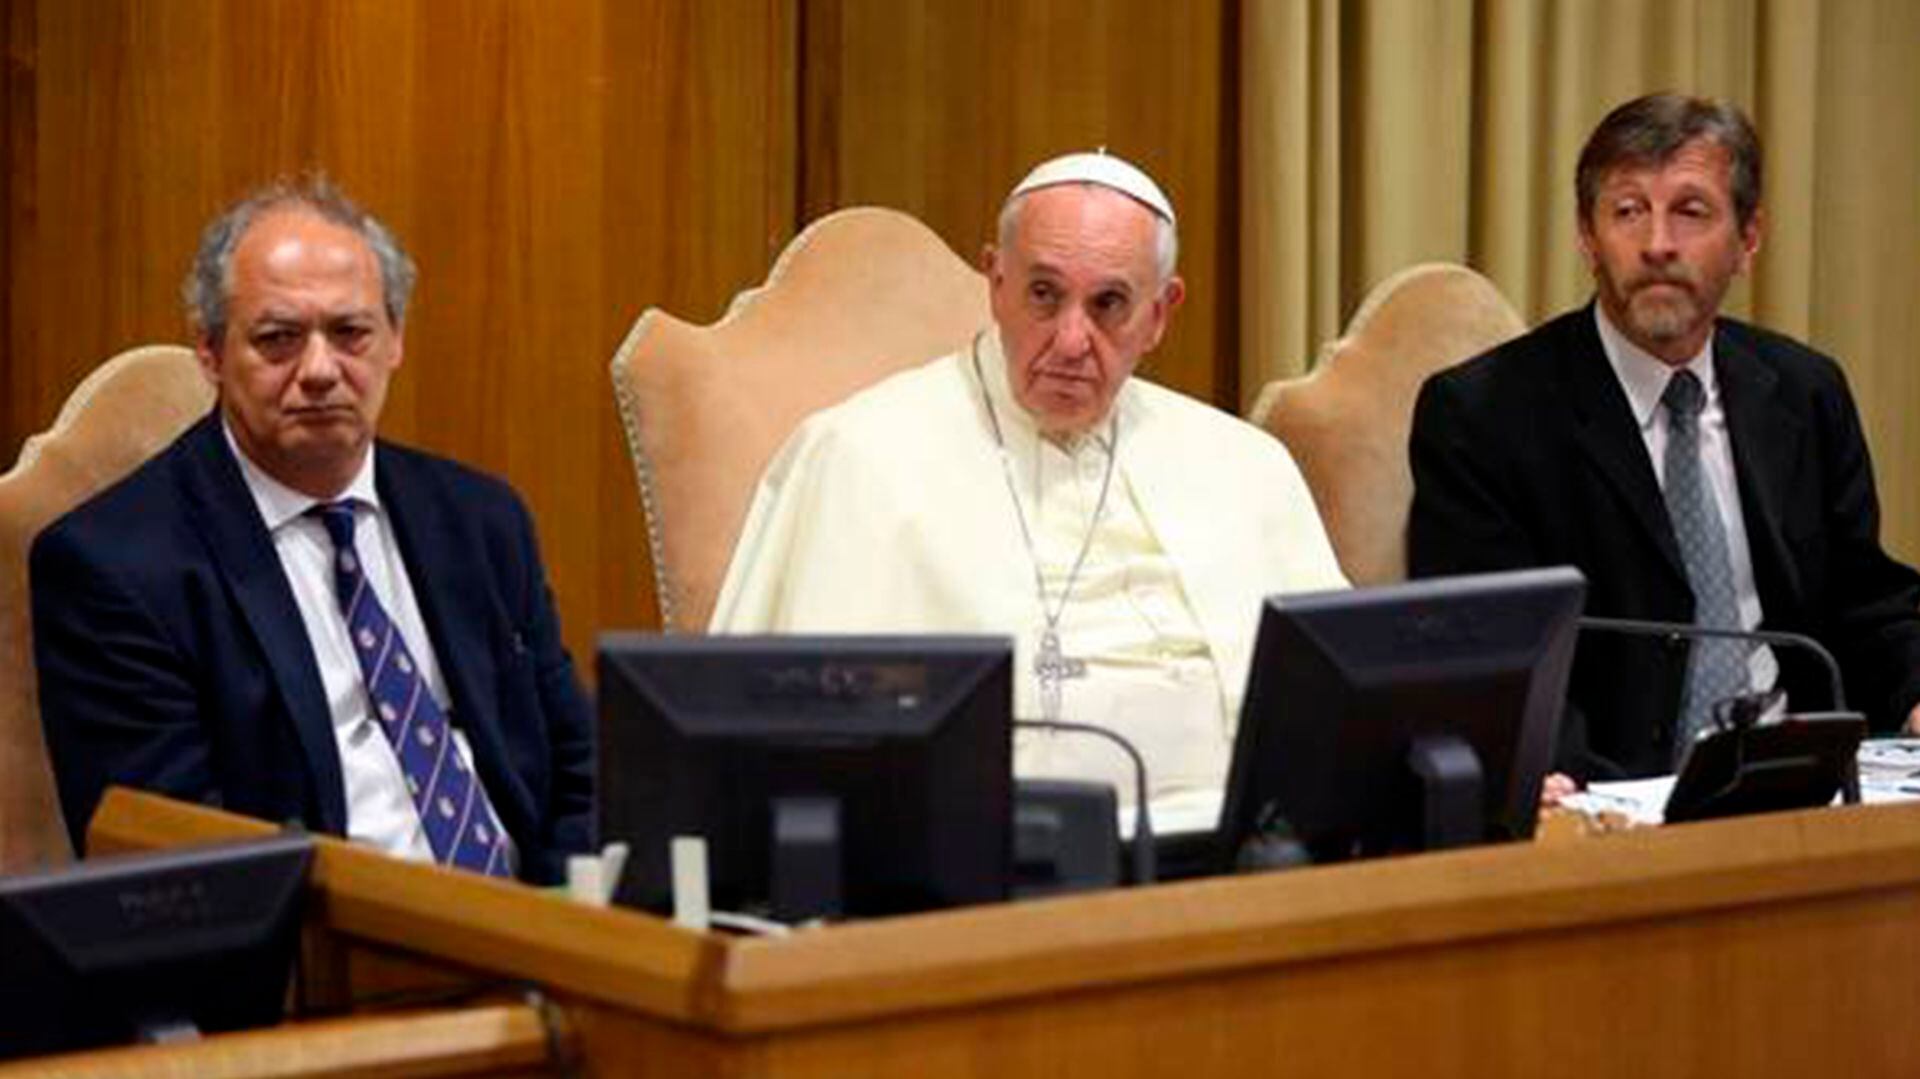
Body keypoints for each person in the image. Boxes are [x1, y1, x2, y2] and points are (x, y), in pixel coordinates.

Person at [711, 151, 1346, 808]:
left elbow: (1333, 712)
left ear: (1160, 312)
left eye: (1109, 304)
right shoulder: (855, 453)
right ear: (996, 281)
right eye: (1044, 294)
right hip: (984, 849)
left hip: (1233, 847)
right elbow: (784, 744)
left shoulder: (1244, 464)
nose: (1072, 340)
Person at [30, 179, 593, 882]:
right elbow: (169, 860)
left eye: (351, 332)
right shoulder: (115, 566)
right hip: (317, 956)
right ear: (209, 351)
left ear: (395, 341)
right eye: (278, 339)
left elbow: (578, 768)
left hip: (540, 935)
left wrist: (581, 931)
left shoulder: (481, 520)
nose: (322, 370)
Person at [1408, 93, 1920, 782]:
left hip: (1800, 775)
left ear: (1749, 238)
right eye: (1627, 211)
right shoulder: (1484, 415)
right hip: (1613, 788)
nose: (1657, 244)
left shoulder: (1803, 391)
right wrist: (1568, 780)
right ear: (1588, 237)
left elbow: (1865, 598)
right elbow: (1490, 649)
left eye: (1691, 210)